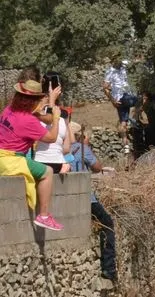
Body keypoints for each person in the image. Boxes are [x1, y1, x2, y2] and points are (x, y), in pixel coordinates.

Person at [0, 80, 63, 230]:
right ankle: (44, 216)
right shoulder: (28, 121)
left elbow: (44, 118)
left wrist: (50, 104)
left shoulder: (9, 109)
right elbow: (52, 138)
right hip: (10, 159)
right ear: (34, 100)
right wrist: (56, 118)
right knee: (47, 172)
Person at [69, 125, 117, 281]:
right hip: (85, 198)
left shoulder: (58, 150)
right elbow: (98, 168)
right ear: (82, 137)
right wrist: (87, 149)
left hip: (66, 198)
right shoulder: (82, 148)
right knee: (107, 224)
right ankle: (109, 268)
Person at [102, 56, 137, 153]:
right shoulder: (111, 71)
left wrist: (113, 101)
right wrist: (112, 100)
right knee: (141, 99)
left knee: (123, 122)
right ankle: (136, 119)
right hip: (124, 97)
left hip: (120, 100)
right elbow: (105, 88)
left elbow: (136, 61)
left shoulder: (123, 65)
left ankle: (126, 146)